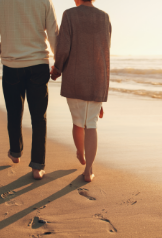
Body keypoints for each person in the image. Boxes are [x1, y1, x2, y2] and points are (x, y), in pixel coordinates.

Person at [0, 0, 58, 180]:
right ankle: (37, 167)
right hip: (38, 64)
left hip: (11, 64)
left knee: (14, 112)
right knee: (39, 117)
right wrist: (58, 64)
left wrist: (0, 49)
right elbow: (53, 33)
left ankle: (15, 153)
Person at [51, 0, 111, 182]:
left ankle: (80, 152)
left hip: (75, 79)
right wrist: (102, 91)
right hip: (98, 79)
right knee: (91, 124)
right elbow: (105, 50)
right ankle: (89, 169)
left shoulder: (70, 14)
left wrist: (57, 69)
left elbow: (63, 48)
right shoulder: (104, 17)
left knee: (78, 122)